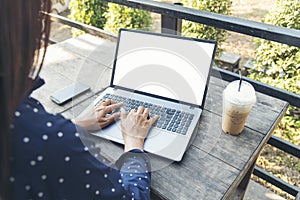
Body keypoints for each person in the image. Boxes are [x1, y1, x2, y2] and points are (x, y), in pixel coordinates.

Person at [0, 0, 158, 200]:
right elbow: (131, 197)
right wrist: (134, 144)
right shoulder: (49, 141)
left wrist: (77, 124)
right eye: (38, 16)